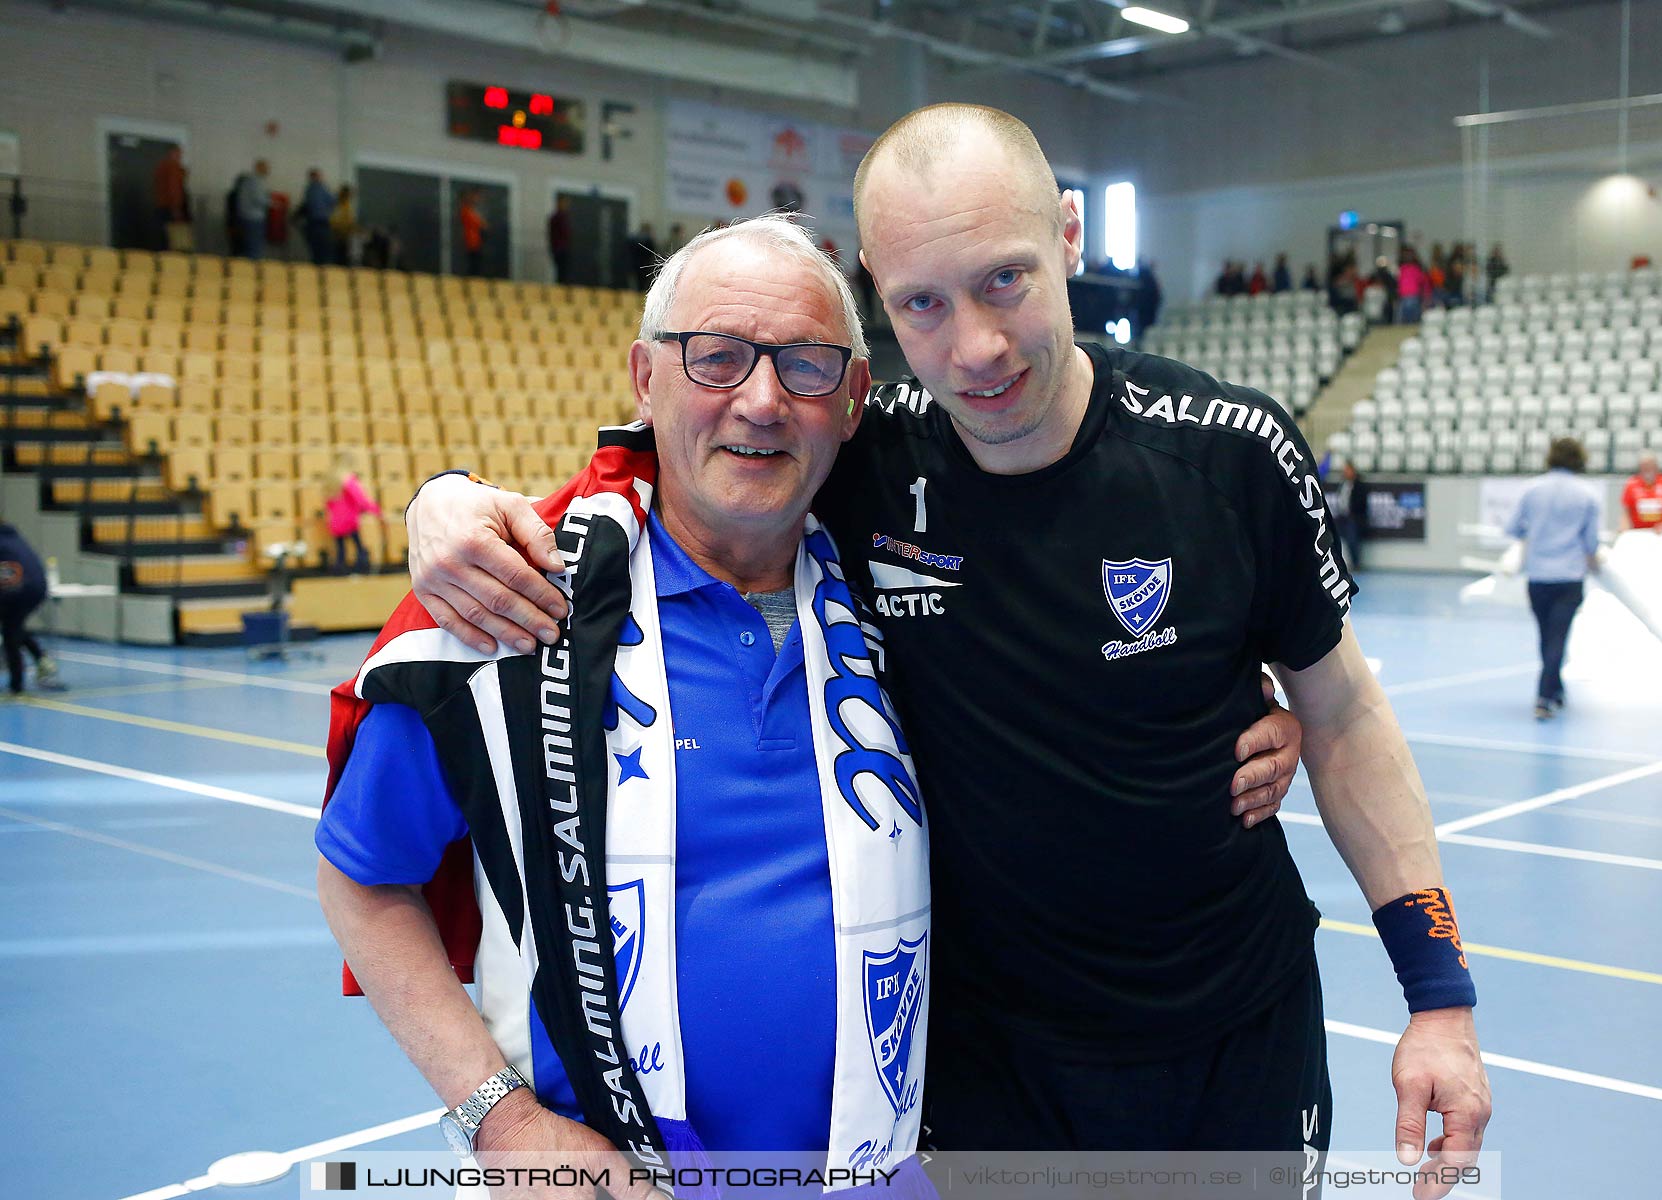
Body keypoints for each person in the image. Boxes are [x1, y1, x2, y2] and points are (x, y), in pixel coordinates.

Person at [407, 104, 1489, 1188]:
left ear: (1070, 236)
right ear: (879, 291)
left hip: (1230, 1041)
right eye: (923, 302)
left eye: (1004, 280)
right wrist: (443, 504)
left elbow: (1344, 714)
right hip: (983, 1067)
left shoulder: (1231, 456)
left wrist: (1438, 996)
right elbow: (672, 472)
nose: (974, 346)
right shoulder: (857, 454)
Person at [318, 218, 951, 1195]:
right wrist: (502, 1122)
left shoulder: (915, 602)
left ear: (856, 399)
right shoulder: (513, 604)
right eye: (718, 356)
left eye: (808, 365)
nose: (763, 399)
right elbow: (363, 875)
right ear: (645, 378)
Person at [1506, 438, 1600, 721]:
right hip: (1569, 576)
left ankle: (1555, 689)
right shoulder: (1587, 494)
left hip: (1538, 576)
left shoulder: (1531, 490)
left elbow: (1513, 527)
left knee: (1547, 636)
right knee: (1558, 637)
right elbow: (1592, 543)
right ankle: (1545, 696)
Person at [0, 518, 65, 697]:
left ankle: (16, 686)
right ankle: (41, 659)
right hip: (37, 588)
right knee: (13, 625)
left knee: (10, 631)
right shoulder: (13, 536)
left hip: (21, 588)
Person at [320, 454, 379, 573]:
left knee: (340, 550)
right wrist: (376, 511)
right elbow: (360, 499)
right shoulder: (349, 480)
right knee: (358, 547)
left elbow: (328, 503)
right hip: (349, 519)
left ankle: (339, 572)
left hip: (335, 521)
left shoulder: (331, 481)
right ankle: (361, 569)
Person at [1620, 452, 1662, 534]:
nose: (1647, 469)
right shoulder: (1632, 484)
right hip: (1639, 532)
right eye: (1644, 466)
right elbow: (1626, 513)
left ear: (1656, 466)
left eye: (1649, 465)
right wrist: (1624, 528)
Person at [1330, 459, 1368, 573]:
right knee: (1338, 540)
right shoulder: (1343, 484)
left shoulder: (1359, 485)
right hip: (1342, 516)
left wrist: (1354, 512)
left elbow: (1362, 501)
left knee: (1353, 541)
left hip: (1354, 517)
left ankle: (1356, 564)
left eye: (1347, 470)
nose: (1345, 472)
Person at [151, 145, 188, 252]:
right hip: (171, 210)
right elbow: (174, 189)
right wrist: (176, 208)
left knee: (162, 240)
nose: (180, 157)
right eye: (179, 154)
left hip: (162, 208)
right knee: (176, 243)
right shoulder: (172, 168)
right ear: (173, 153)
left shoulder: (160, 168)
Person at [233, 159, 271, 261]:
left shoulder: (247, 181)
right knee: (254, 249)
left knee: (247, 246)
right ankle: (253, 272)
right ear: (259, 168)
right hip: (254, 219)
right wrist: (273, 203)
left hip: (244, 217)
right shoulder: (257, 181)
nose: (268, 170)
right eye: (266, 167)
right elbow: (259, 199)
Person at [300, 168, 335, 266]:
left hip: (318, 222)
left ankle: (320, 264)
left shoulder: (313, 189)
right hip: (318, 222)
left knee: (319, 248)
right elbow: (332, 202)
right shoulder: (317, 189)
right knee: (321, 248)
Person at [458, 189, 488, 278]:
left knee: (476, 262)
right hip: (472, 242)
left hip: (476, 241)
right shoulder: (466, 211)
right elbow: (480, 224)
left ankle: (475, 277)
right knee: (474, 263)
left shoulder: (471, 212)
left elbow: (482, 224)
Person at [547, 195, 573, 285]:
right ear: (558, 203)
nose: (565, 205)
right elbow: (551, 235)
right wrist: (554, 248)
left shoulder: (566, 217)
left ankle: (564, 286)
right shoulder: (555, 218)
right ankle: (560, 286)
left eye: (566, 203)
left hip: (565, 248)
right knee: (560, 270)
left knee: (565, 270)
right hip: (558, 248)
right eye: (563, 203)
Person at [329, 184, 357, 266]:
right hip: (339, 236)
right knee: (339, 260)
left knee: (342, 259)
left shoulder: (345, 206)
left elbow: (349, 221)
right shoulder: (340, 205)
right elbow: (334, 221)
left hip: (343, 236)